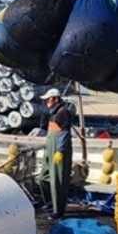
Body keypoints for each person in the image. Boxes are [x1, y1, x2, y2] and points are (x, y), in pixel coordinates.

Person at [35, 88, 74, 219]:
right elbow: (51, 131)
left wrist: (60, 151)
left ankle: (58, 211)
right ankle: (50, 202)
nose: (46, 102)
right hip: (49, 148)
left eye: (48, 99)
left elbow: (64, 133)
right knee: (42, 179)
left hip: (58, 150)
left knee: (57, 181)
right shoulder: (52, 113)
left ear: (55, 99)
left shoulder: (63, 112)